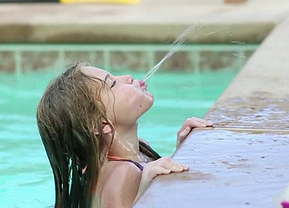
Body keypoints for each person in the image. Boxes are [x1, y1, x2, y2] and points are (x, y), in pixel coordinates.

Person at [36, 61, 213, 208]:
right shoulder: (122, 174)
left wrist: (183, 150)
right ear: (102, 124)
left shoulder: (141, 149)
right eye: (112, 83)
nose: (127, 77)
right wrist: (145, 193)